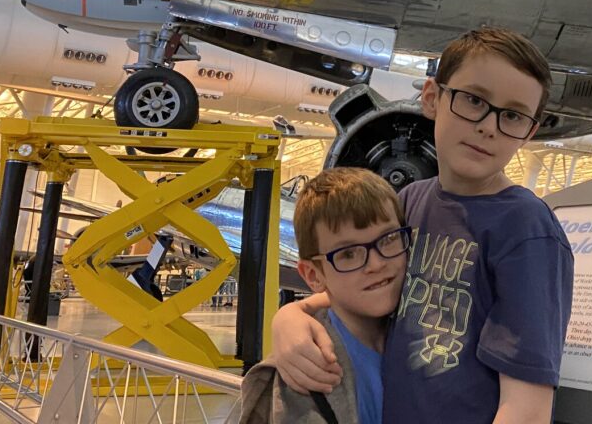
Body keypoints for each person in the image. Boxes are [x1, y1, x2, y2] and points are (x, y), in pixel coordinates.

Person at [271, 28, 574, 423]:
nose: (489, 126)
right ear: (432, 98)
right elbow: (371, 284)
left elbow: (526, 408)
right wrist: (291, 317)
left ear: (530, 132)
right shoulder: (411, 201)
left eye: (513, 115)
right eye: (473, 100)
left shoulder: (527, 230)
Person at [240, 168, 410, 424]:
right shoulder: (304, 372)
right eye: (348, 254)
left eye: (388, 239)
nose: (376, 264)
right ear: (313, 275)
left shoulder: (424, 327)